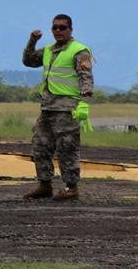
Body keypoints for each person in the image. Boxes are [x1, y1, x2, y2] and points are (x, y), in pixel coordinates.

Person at [21, 14, 93, 201]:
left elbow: (86, 77)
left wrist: (84, 102)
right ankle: (44, 185)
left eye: (62, 28)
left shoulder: (79, 51)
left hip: (67, 107)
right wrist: (32, 41)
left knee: (67, 148)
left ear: (71, 30)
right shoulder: (48, 50)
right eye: (55, 28)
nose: (58, 31)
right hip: (47, 106)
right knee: (40, 146)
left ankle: (71, 187)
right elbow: (28, 61)